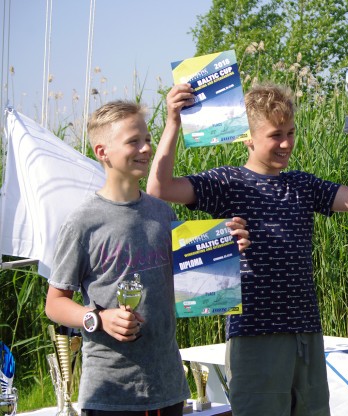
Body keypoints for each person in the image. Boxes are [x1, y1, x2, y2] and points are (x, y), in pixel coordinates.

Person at [147, 82, 348, 416]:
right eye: (275, 135)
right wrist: (173, 121)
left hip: (306, 332)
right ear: (248, 138)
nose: (286, 143)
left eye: (291, 132)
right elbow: (159, 188)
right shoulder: (228, 183)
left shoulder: (302, 184)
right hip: (254, 334)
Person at [45, 100, 250, 416]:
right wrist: (98, 318)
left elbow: (187, 283)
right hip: (111, 393)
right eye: (133, 141)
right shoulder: (83, 223)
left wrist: (225, 249)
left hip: (168, 388)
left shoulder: (162, 213)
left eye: (147, 139)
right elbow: (55, 303)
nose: (145, 148)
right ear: (102, 152)